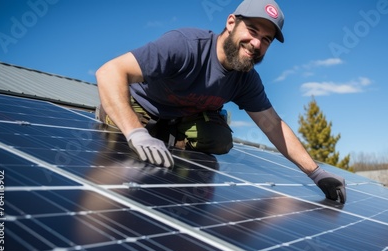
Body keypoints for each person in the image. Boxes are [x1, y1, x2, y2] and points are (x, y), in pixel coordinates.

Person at [95, 0, 347, 203]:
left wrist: (315, 173)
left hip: (185, 117)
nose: (257, 43)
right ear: (230, 23)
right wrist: (135, 132)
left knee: (220, 138)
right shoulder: (185, 45)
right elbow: (109, 71)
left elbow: (273, 125)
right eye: (252, 30)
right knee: (123, 130)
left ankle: (165, 134)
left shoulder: (246, 79)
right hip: (146, 105)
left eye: (267, 39)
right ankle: (129, 120)